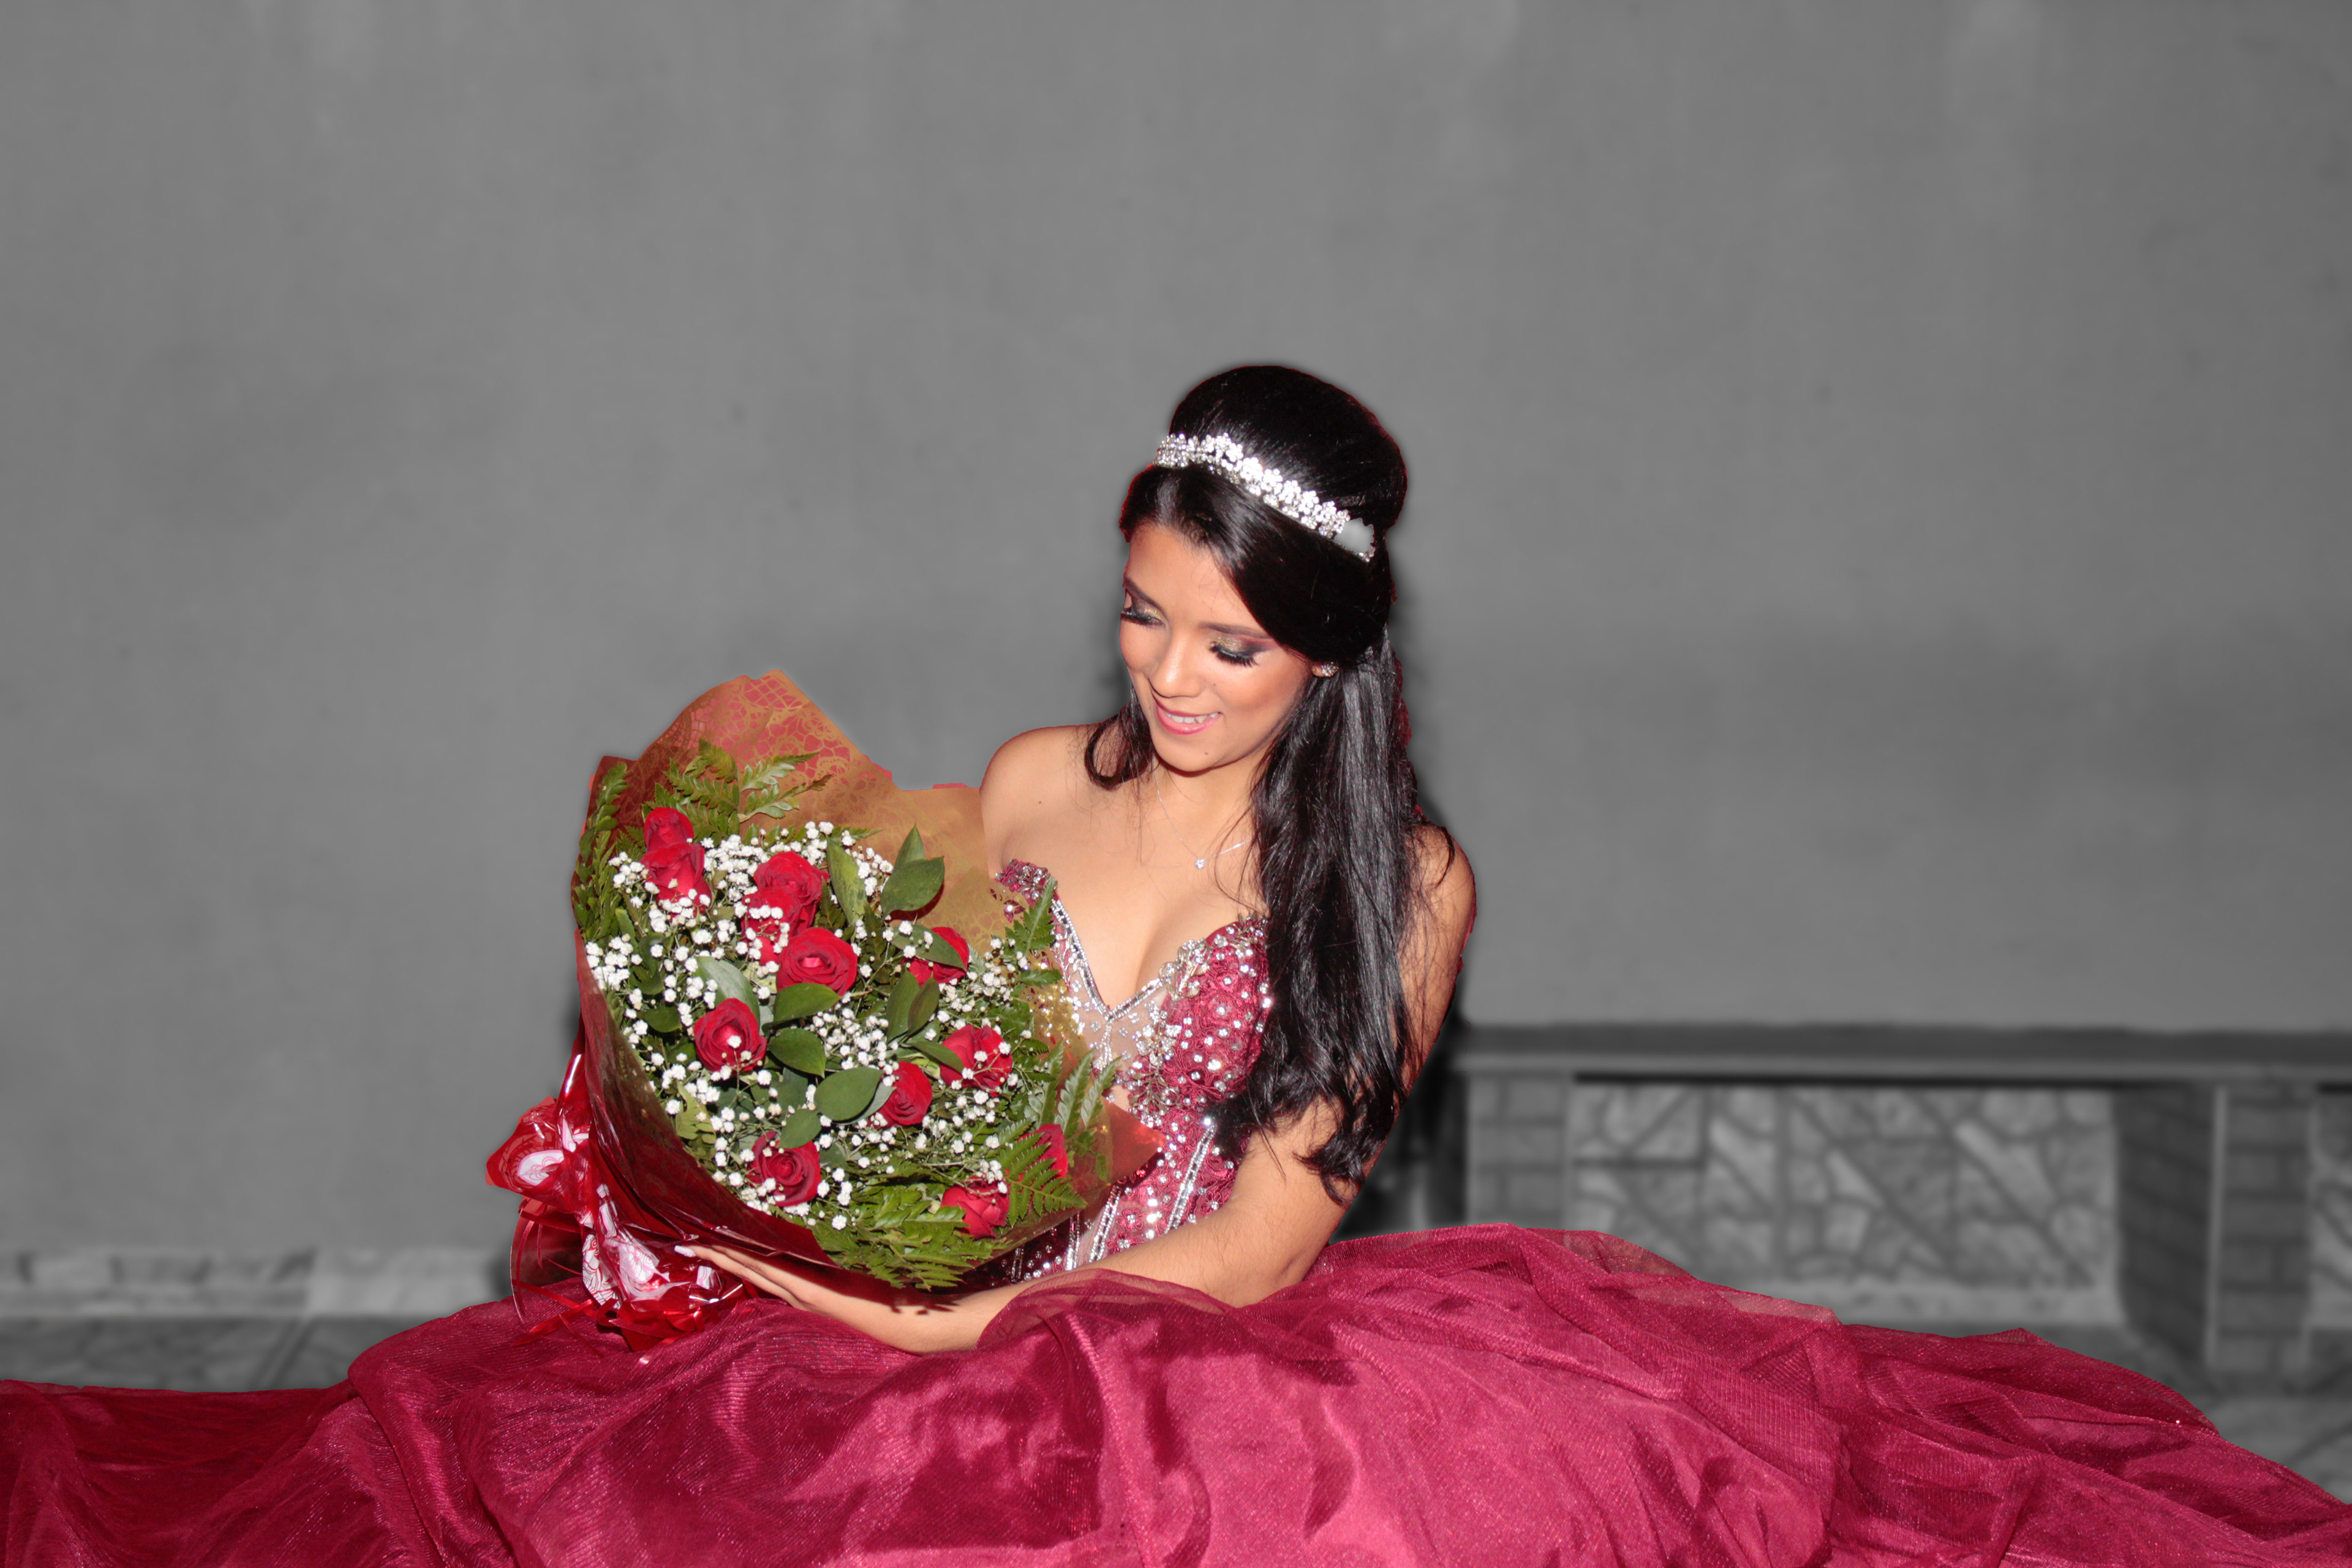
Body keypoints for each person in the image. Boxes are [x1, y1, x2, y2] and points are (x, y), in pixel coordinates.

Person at [4, 367, 2350, 1567]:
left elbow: (1248, 1247)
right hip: (901, 1308)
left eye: (1232, 642)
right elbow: (890, 1061)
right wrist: (760, 1156)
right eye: (1146, 612)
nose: (1177, 672)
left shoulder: (1405, 887)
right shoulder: (1035, 778)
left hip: (1174, 1352)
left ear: (1329, 653)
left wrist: (959, 1330)